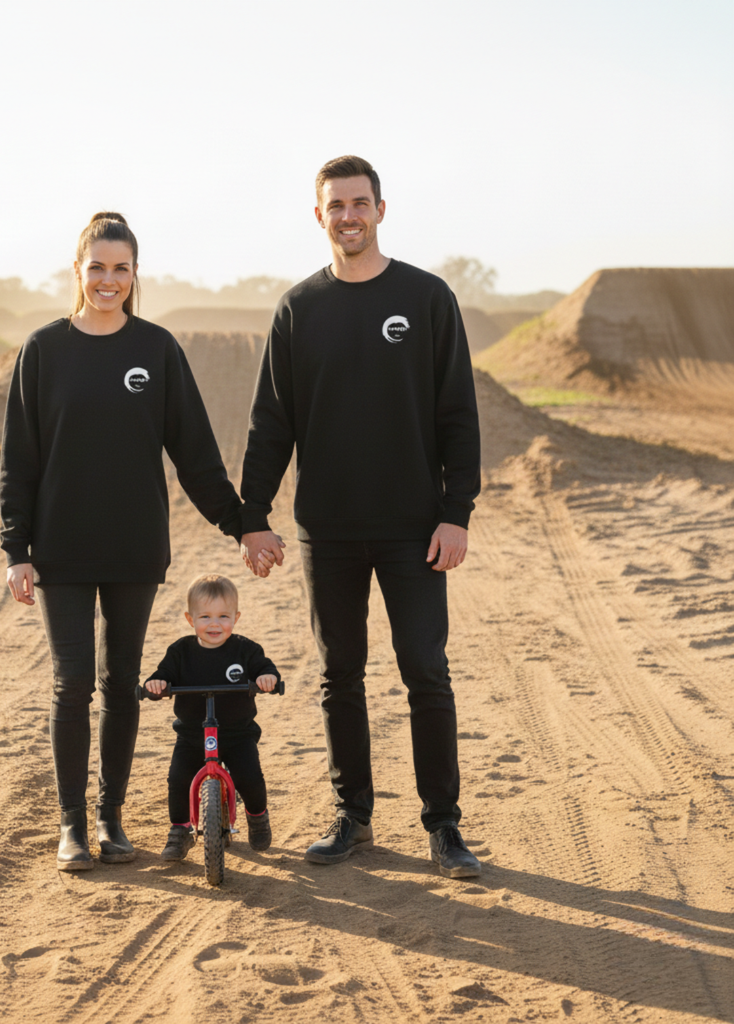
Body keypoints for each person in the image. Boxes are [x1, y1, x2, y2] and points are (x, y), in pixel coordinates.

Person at [238, 156, 482, 877]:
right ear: (320, 216)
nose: (348, 216)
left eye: (359, 203)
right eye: (335, 205)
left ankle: (444, 825)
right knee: (339, 675)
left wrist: (455, 513)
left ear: (381, 209)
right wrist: (253, 514)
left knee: (424, 671)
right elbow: (269, 424)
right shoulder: (298, 309)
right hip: (329, 529)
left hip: (414, 529)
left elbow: (458, 418)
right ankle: (354, 819)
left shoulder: (428, 298)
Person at [0, 213, 242, 871]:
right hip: (61, 549)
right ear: (77, 270)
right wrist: (16, 550)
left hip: (134, 547)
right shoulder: (44, 351)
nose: (109, 280)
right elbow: (19, 458)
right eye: (98, 267)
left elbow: (195, 454)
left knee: (122, 683)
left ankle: (111, 820)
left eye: (122, 268)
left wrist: (241, 521)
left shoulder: (157, 350)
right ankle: (72, 827)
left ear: (136, 275)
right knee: (73, 680)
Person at [143, 573, 278, 860]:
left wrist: (268, 677)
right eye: (205, 616)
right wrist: (157, 684)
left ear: (236, 617)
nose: (214, 624)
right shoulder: (181, 651)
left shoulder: (246, 650)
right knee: (178, 778)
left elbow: (265, 667)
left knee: (250, 777)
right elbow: (164, 674)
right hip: (192, 733)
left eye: (223, 616)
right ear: (190, 619)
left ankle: (256, 816)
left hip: (237, 733)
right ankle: (179, 830)